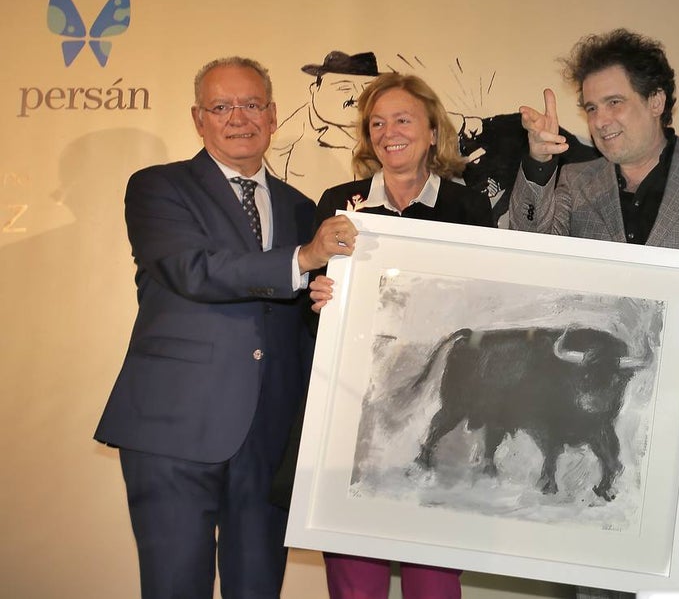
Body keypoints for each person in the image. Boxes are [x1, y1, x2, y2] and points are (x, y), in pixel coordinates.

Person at [509, 28, 679, 594]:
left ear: (657, 101)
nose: (601, 120)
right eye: (591, 107)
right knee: (593, 578)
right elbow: (530, 248)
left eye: (615, 102)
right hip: (591, 414)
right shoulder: (575, 181)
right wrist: (534, 166)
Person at [94, 57, 352, 599]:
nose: (239, 117)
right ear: (198, 119)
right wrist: (304, 259)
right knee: (174, 586)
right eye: (221, 106)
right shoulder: (157, 188)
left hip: (270, 435)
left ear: (274, 113)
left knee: (258, 588)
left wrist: (325, 300)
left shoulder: (300, 206)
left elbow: (303, 312)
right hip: (175, 430)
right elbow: (193, 269)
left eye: (252, 104)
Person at [300, 71, 495, 599]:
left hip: (439, 403)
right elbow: (308, 309)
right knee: (354, 581)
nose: (388, 131)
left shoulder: (469, 209)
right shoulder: (340, 202)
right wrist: (315, 299)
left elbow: (485, 308)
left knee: (432, 577)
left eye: (402, 119)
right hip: (352, 411)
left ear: (433, 130)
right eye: (377, 122)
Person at [268, 50, 381, 200]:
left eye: (367, 89)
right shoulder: (289, 144)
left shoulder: (384, 138)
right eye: (344, 88)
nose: (358, 96)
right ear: (314, 89)